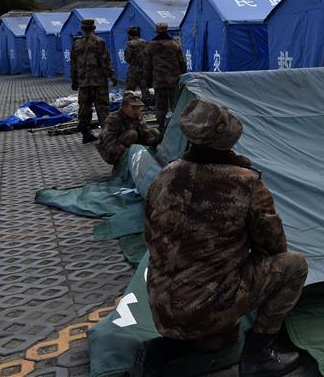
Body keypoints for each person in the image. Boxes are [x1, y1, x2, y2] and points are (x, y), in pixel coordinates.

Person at [140, 99, 308, 376]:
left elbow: (150, 234)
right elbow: (273, 246)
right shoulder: (245, 183)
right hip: (204, 306)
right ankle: (259, 354)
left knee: (221, 337)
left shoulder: (165, 175)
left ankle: (168, 347)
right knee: (293, 265)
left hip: (161, 305)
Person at [71, 18, 118, 144]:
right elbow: (105, 62)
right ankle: (107, 135)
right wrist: (112, 76)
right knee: (102, 108)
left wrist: (74, 81)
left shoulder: (76, 43)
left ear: (82, 29)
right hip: (99, 82)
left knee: (84, 108)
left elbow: (73, 64)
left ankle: (86, 134)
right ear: (94, 28)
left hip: (84, 82)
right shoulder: (99, 42)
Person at [96, 91, 160, 165]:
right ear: (124, 106)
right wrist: (130, 152)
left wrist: (155, 140)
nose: (137, 110)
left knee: (154, 131)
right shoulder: (113, 119)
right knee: (132, 134)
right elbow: (109, 143)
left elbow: (145, 134)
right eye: (134, 107)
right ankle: (124, 163)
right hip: (112, 152)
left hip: (130, 147)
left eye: (138, 107)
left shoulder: (137, 116)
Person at [145, 22, 187, 131]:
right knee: (176, 104)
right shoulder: (175, 44)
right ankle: (178, 125)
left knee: (160, 105)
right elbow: (182, 62)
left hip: (159, 80)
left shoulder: (151, 46)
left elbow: (147, 65)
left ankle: (161, 126)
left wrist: (147, 81)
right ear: (167, 29)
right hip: (174, 79)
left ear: (156, 30)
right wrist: (184, 77)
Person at [124, 27, 150, 104]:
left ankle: (129, 104)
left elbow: (127, 58)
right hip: (144, 69)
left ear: (129, 35)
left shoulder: (130, 44)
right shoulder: (145, 43)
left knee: (130, 90)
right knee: (145, 89)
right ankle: (148, 105)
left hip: (133, 70)